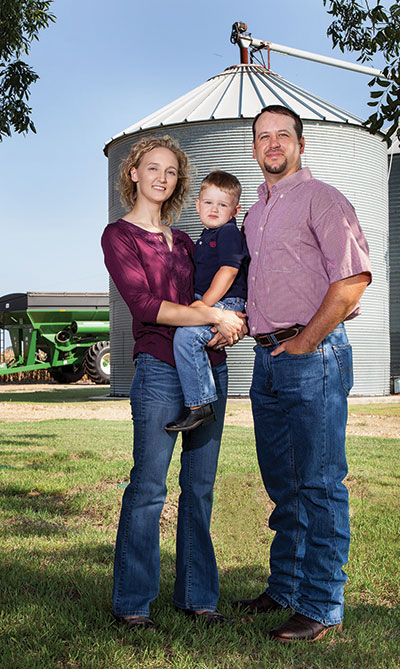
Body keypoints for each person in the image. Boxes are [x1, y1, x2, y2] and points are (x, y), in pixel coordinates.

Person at [232, 105, 372, 642]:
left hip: (312, 355)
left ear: (300, 144)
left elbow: (353, 278)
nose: (272, 144)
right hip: (266, 360)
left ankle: (320, 604)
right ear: (253, 148)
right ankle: (286, 588)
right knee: (284, 484)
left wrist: (306, 340)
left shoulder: (322, 199)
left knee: (319, 483)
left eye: (282, 135)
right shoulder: (255, 215)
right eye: (263, 137)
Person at [101, 135, 245, 630]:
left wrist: (226, 325)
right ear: (133, 174)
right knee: (148, 488)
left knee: (199, 486)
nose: (162, 178)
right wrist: (210, 315)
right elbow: (145, 305)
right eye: (153, 168)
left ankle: (199, 598)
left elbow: (223, 287)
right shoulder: (119, 236)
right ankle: (133, 604)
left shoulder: (184, 239)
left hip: (206, 366)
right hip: (159, 370)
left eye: (171, 172)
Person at [165, 170, 249, 433]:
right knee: (187, 339)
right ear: (197, 204)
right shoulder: (206, 236)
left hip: (226, 301)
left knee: (186, 338)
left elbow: (229, 270)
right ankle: (199, 401)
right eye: (209, 203)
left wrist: (204, 305)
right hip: (214, 302)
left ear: (235, 211)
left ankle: (201, 405)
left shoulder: (227, 233)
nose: (214, 209)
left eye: (222, 205)